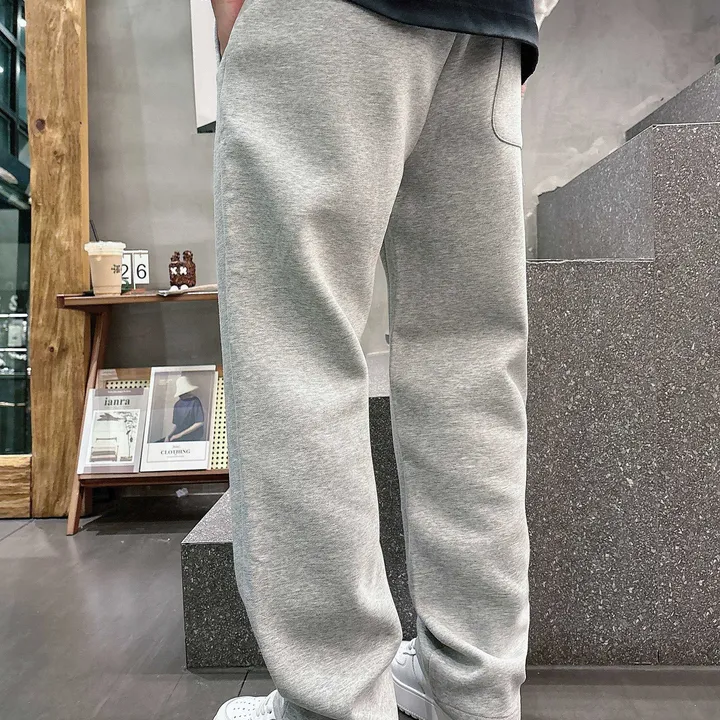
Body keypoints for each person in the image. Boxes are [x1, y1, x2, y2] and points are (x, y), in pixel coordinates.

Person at [211, 1, 559, 720]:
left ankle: (334, 704)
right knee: (470, 374)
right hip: (485, 29)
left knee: (297, 353)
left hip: (325, 17)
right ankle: (475, 693)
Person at [163, 376, 205, 443]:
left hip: (192, 438)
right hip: (179, 438)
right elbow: (176, 425)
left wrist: (180, 435)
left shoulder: (195, 401)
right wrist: (168, 435)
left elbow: (199, 422)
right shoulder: (177, 404)